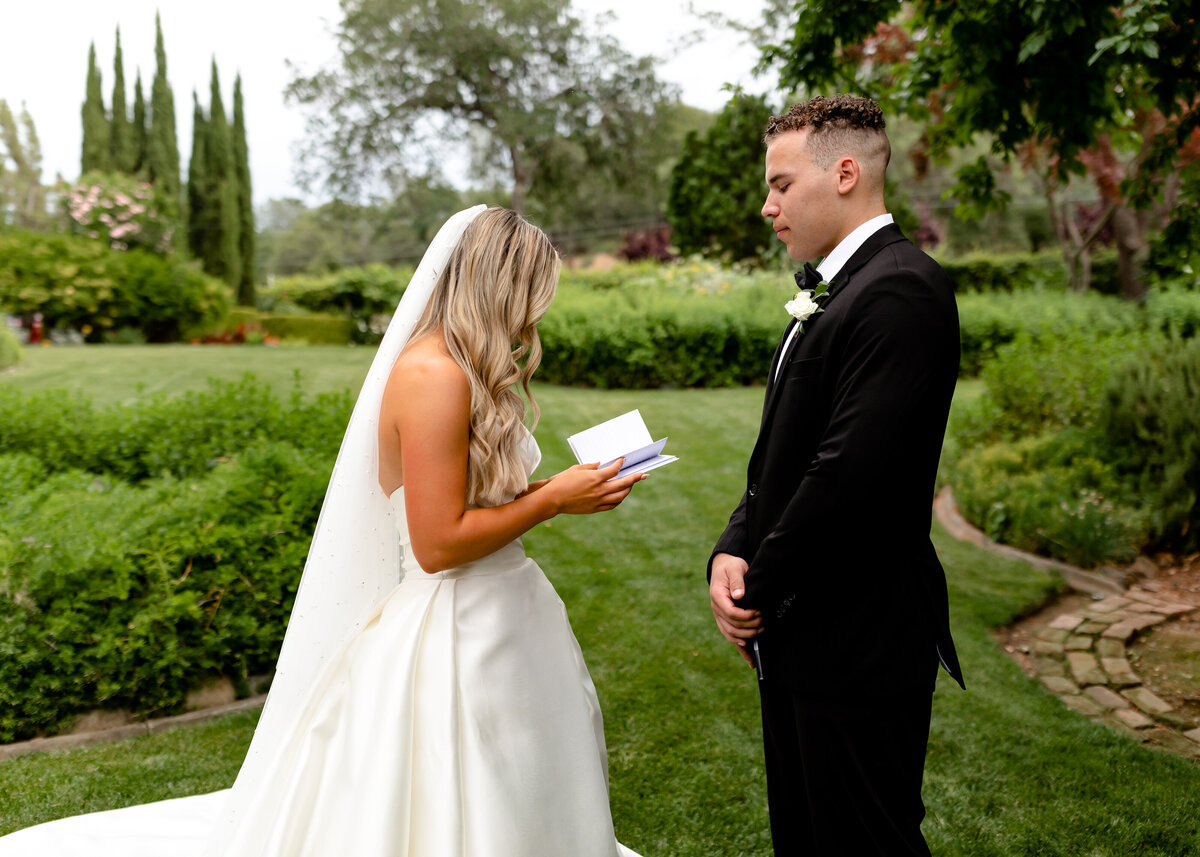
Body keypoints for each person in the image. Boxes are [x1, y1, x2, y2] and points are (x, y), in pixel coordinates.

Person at [0, 206, 645, 857]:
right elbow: (439, 543)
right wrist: (554, 499)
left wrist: (562, 491)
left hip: (508, 610)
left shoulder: (462, 368)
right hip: (458, 625)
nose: (537, 314)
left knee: (523, 782)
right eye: (534, 293)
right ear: (501, 284)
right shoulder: (433, 376)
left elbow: (466, 506)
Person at [707, 95, 966, 856]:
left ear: (845, 172)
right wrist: (732, 543)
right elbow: (782, 455)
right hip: (803, 635)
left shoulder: (900, 290)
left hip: (858, 639)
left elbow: (847, 476)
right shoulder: (833, 289)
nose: (767, 205)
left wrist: (757, 583)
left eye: (781, 184)